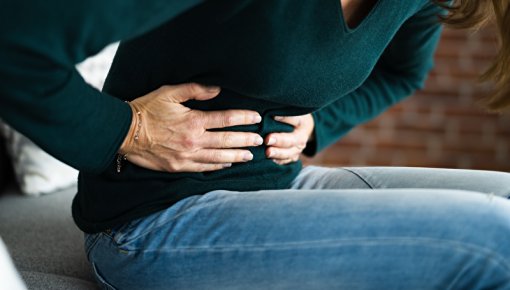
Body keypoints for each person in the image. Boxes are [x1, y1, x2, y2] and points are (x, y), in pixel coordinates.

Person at [1, 1, 510, 289]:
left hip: (282, 184)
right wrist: (127, 130)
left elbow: (401, 72)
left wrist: (320, 123)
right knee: (495, 239)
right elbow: (14, 46)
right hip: (154, 220)